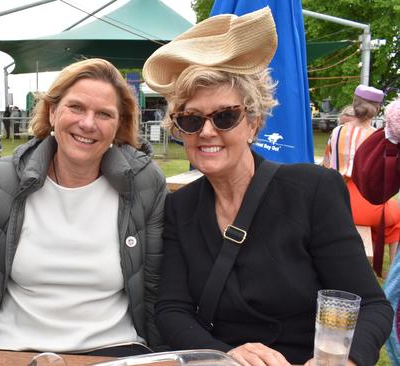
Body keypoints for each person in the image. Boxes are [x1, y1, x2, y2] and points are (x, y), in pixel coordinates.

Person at [142, 7, 392, 366]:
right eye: (192, 119)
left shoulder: (312, 190)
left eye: (225, 116)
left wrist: (344, 361)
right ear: (179, 129)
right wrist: (225, 353)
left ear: (254, 123)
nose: (208, 131)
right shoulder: (180, 207)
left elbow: (369, 305)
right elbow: (172, 309)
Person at [0, 58, 167, 356]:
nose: (88, 123)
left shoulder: (144, 184)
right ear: (52, 112)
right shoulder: (4, 179)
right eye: (76, 107)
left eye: (104, 114)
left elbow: (155, 286)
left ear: (119, 125)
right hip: (11, 348)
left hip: (113, 349)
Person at [322, 85, 400, 266]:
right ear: (378, 109)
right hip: (366, 201)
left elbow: (326, 166)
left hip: (337, 199)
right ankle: (389, 272)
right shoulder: (378, 137)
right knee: (395, 220)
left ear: (354, 104)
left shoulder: (337, 131)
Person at [352, 97, 400, 366]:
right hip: (372, 205)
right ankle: (391, 261)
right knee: (393, 218)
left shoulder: (338, 132)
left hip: (350, 198)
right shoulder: (373, 132)